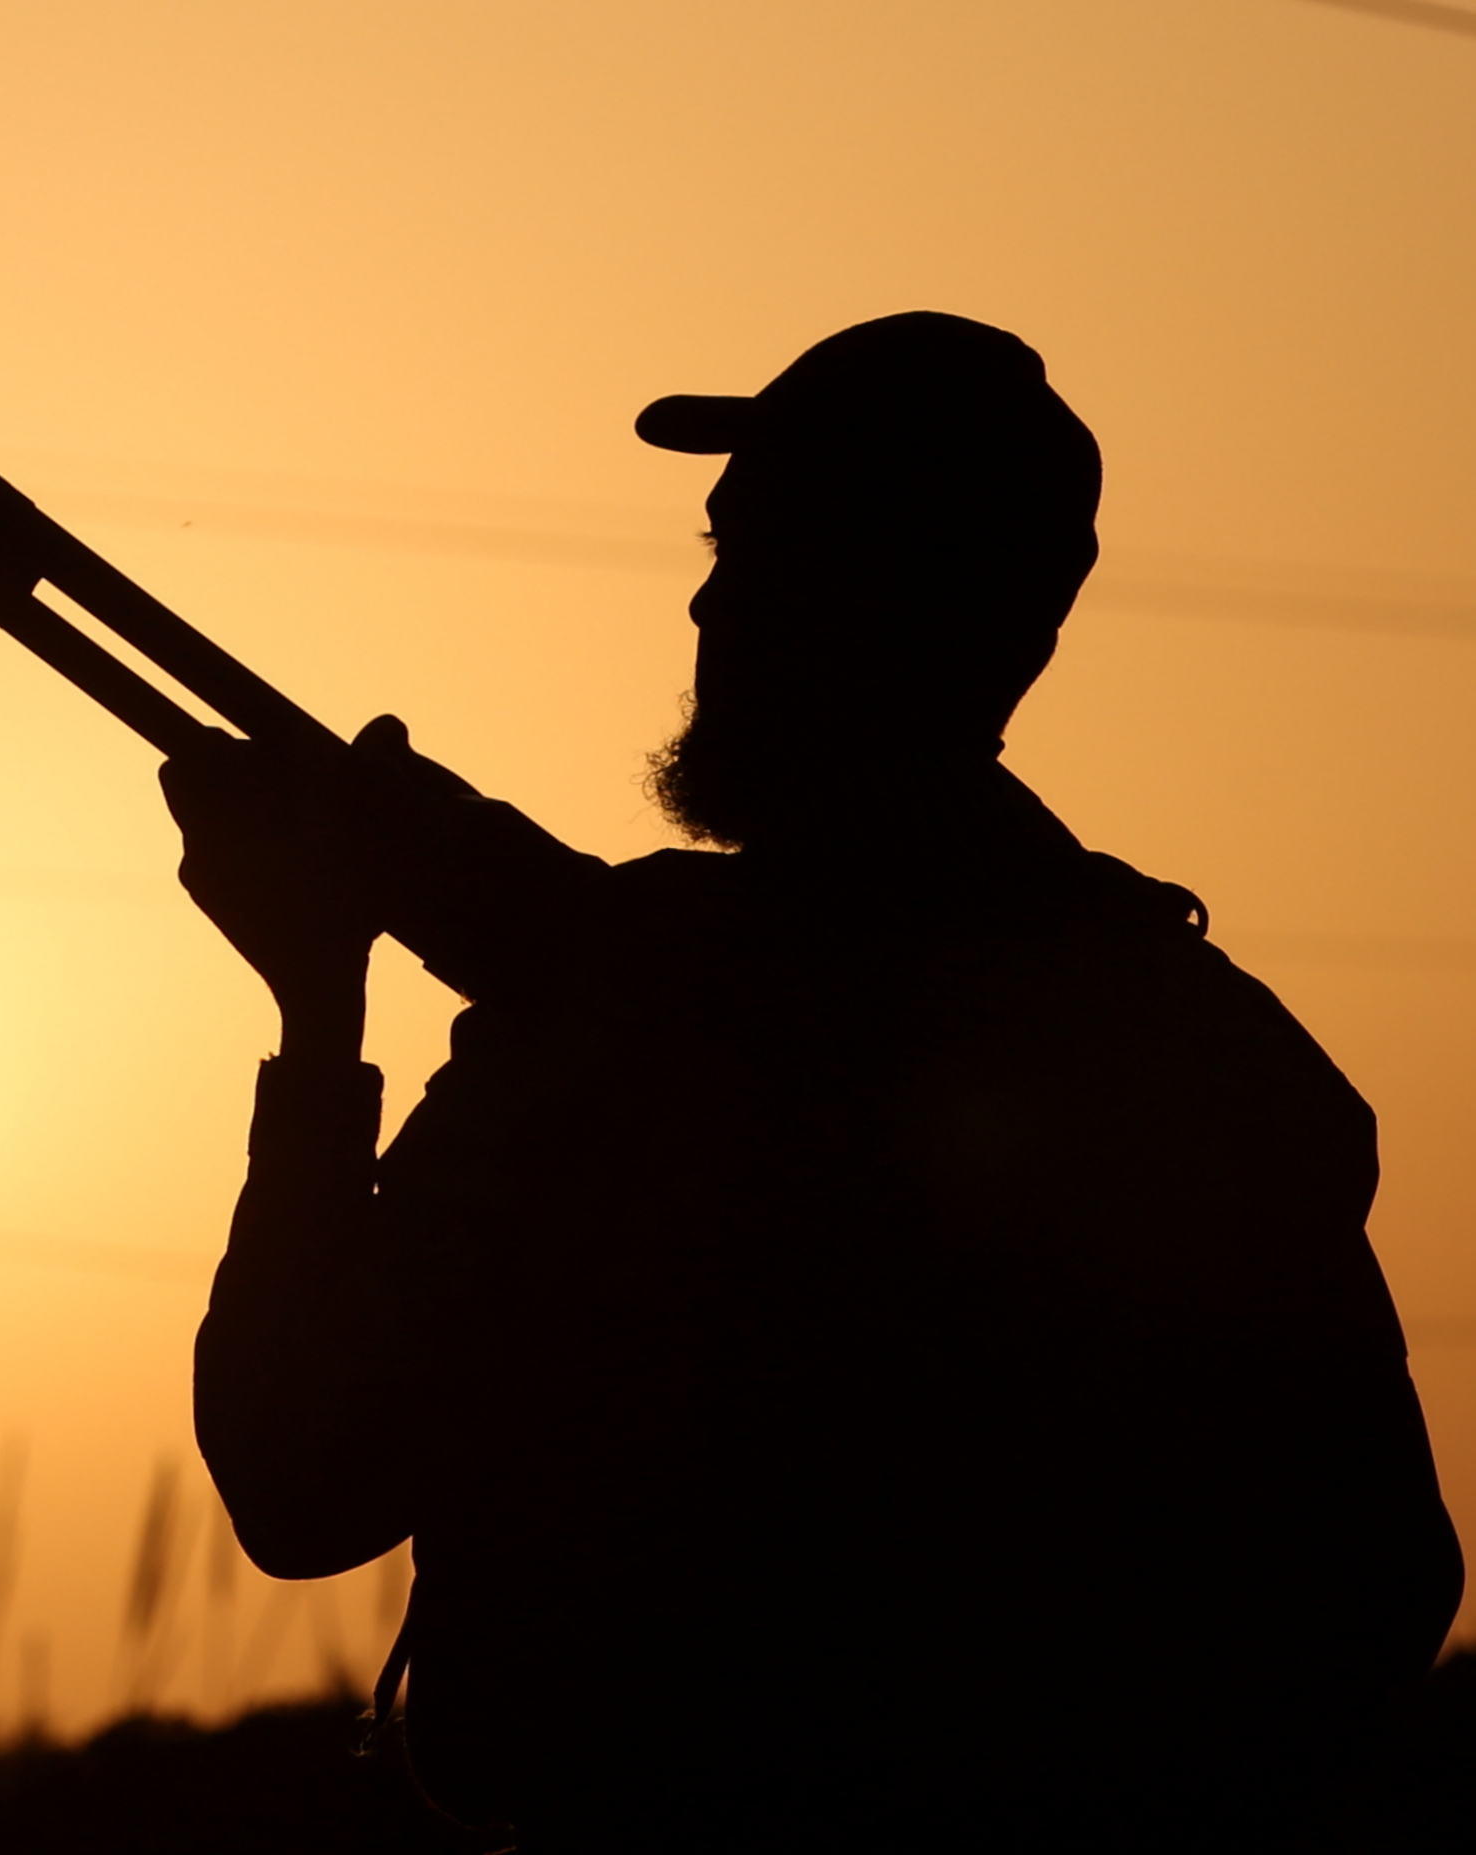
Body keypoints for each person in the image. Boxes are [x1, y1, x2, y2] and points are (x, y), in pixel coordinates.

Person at [164, 312, 1462, 1849]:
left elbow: (301, 1476)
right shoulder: (1189, 1035)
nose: (712, 600)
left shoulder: (624, 1012)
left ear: (876, 606)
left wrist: (320, 1010)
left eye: (762, 552)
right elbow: (1374, 1597)